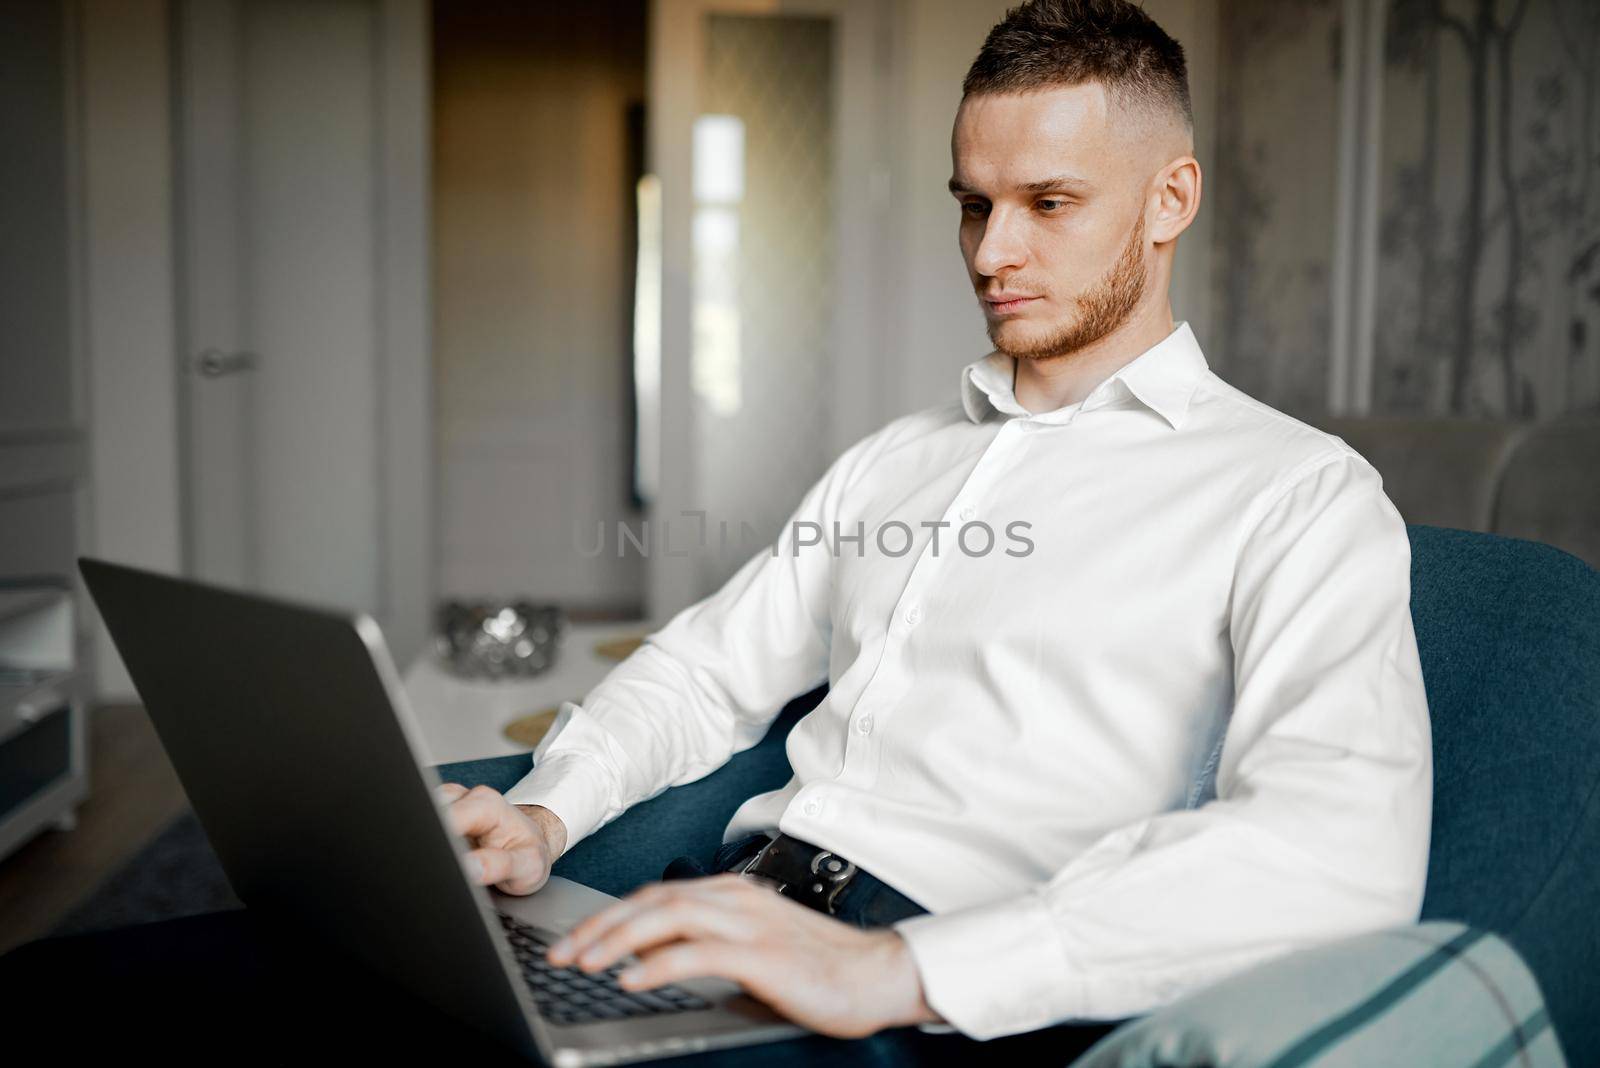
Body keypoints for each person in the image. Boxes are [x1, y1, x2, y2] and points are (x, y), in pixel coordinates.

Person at [439, 0, 1433, 1060]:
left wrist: (894, 972)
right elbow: (705, 673)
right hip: (731, 923)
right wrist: (544, 813)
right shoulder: (892, 462)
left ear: (1168, 200)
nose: (993, 252)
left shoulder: (1295, 493)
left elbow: (1341, 844)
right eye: (973, 204)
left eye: (1049, 202)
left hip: (946, 1005)